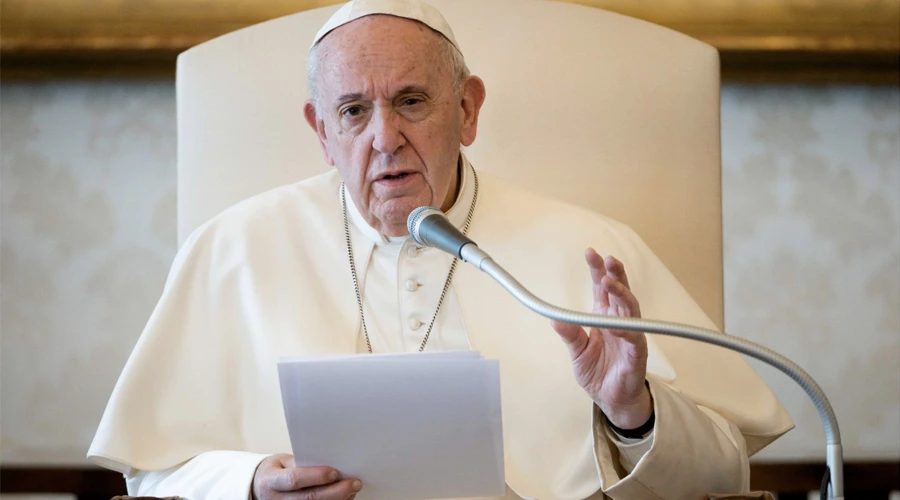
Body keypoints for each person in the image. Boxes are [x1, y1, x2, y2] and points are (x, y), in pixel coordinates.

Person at [88, 1, 794, 498]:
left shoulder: (590, 252)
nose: (384, 137)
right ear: (320, 130)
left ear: (468, 110)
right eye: (354, 111)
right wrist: (248, 481)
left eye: (413, 101)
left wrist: (632, 411)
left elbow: (724, 477)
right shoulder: (232, 251)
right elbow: (150, 473)